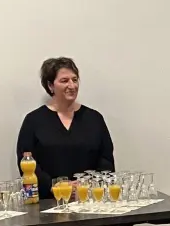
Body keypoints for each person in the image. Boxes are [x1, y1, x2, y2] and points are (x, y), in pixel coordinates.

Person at [16, 57, 115, 199]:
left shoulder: (94, 118)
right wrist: (57, 186)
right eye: (64, 81)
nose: (72, 85)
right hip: (48, 203)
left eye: (75, 80)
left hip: (89, 201)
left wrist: (86, 185)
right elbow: (26, 163)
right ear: (50, 85)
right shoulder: (33, 121)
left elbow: (106, 161)